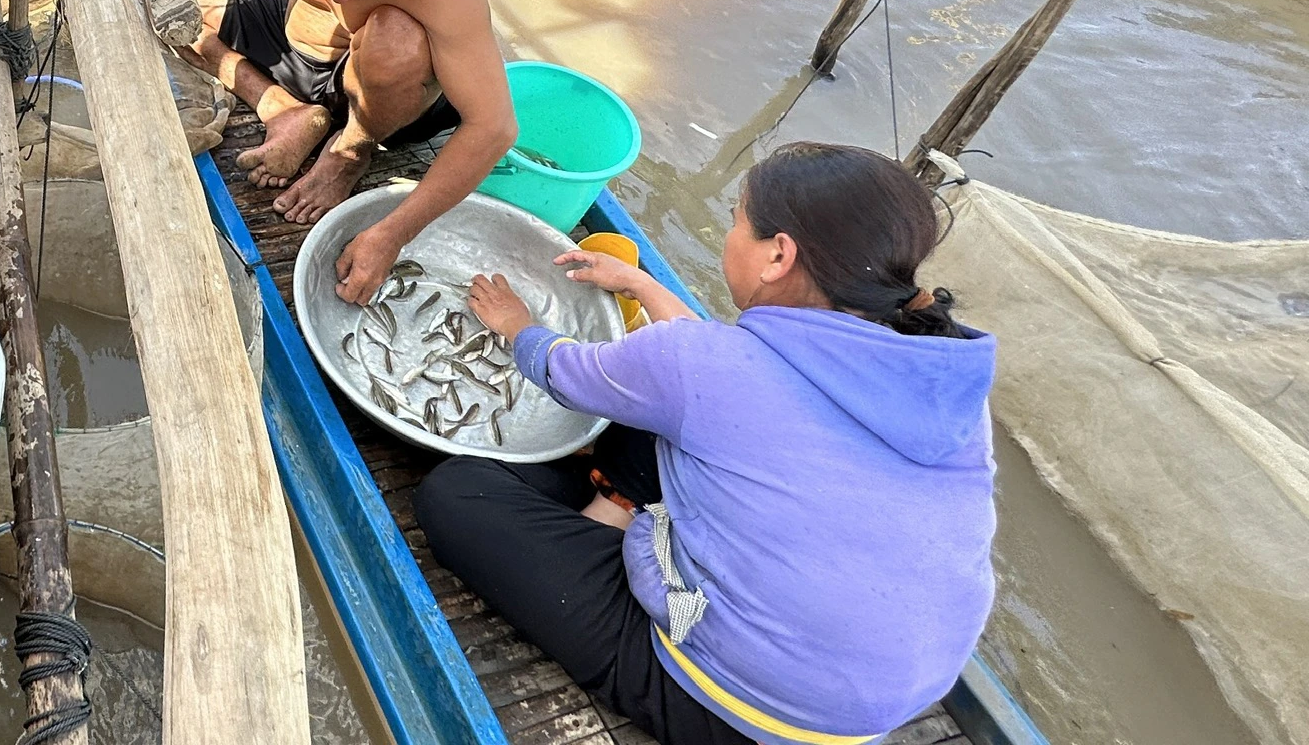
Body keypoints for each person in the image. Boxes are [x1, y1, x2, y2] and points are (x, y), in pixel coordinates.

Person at [417, 143, 997, 745]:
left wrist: (516, 324)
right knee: (663, 420)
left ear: (778, 255)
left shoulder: (706, 369)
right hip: (879, 701)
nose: (729, 236)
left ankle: (609, 526)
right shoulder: (944, 385)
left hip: (740, 711)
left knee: (460, 492)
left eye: (738, 222)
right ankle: (612, 513)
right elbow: (715, 372)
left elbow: (565, 371)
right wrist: (640, 283)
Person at [0, 0, 514, 303]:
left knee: (394, 37)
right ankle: (281, 109)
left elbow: (492, 126)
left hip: (393, 97)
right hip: (300, 50)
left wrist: (393, 233)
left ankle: (348, 152)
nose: (345, 0)